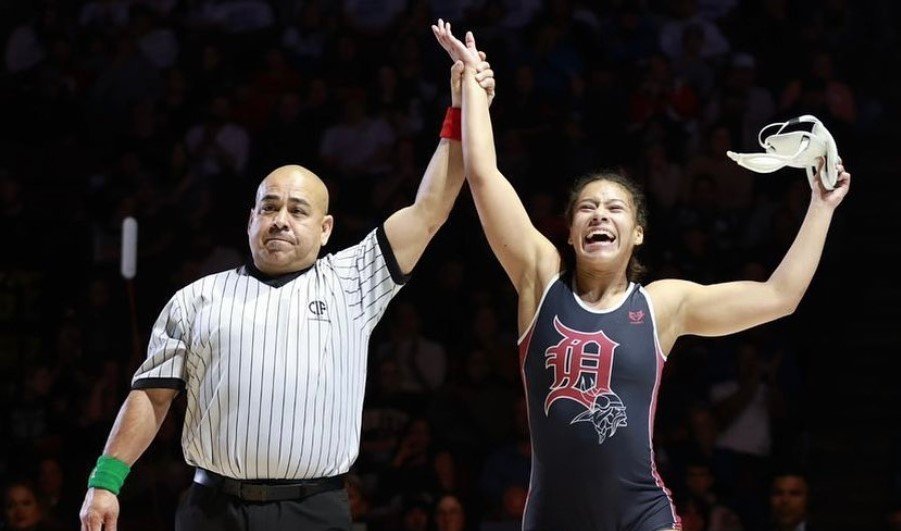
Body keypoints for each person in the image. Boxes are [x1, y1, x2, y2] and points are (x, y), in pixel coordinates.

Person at [432, 21, 850, 531]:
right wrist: (473, 89)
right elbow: (483, 175)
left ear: (638, 234)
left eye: (614, 208)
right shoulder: (539, 280)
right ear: (568, 232)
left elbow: (779, 296)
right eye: (586, 208)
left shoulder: (662, 305)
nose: (599, 215)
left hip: (641, 518)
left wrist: (821, 206)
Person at [78, 30, 497, 531]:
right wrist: (105, 481)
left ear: (325, 230)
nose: (280, 219)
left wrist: (463, 107)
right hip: (211, 509)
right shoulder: (196, 299)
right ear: (249, 219)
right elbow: (151, 397)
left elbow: (430, 209)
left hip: (313, 510)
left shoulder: (353, 281)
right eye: (269, 207)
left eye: (298, 210)